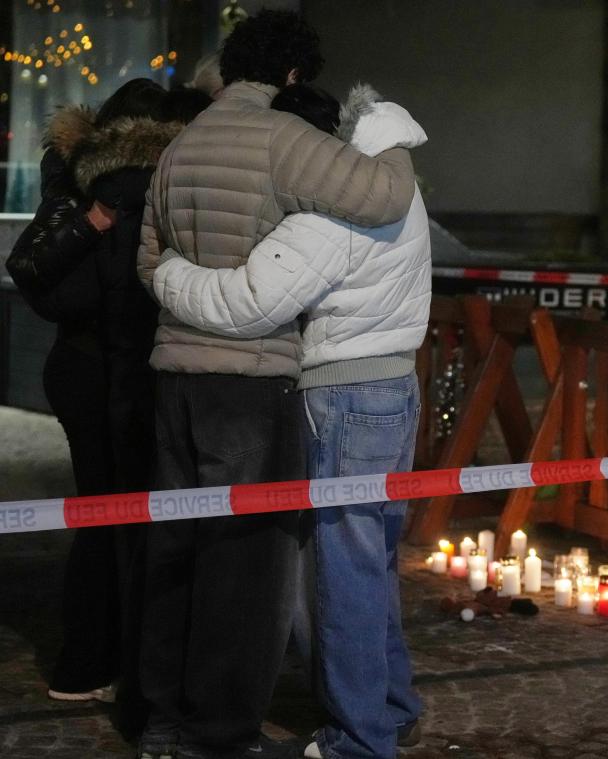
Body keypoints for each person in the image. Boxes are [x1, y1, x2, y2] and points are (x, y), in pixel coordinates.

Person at [133, 10, 417, 759]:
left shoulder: (180, 144)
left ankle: (159, 720)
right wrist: (392, 136)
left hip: (172, 379)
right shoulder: (282, 138)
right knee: (247, 565)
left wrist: (174, 282)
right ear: (293, 73)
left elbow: (148, 259)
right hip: (249, 383)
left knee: (175, 552)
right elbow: (383, 198)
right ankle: (219, 733)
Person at [5, 78, 207, 737]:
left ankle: (83, 662)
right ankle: (128, 671)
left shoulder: (79, 185)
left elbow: (33, 270)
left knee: (101, 513)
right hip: (133, 374)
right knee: (143, 522)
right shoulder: (160, 188)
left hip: (80, 368)